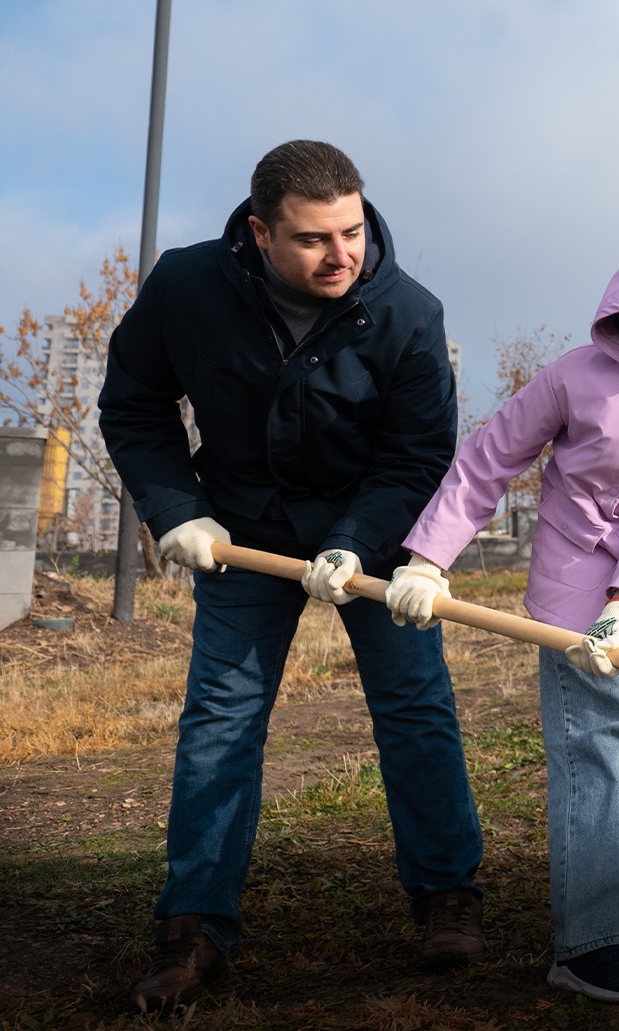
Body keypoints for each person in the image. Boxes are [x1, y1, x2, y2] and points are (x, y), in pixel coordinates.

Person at [98, 141, 485, 1013]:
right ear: (261, 231)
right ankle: (193, 928)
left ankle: (448, 897)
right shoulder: (187, 288)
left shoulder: (408, 314)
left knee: (416, 709)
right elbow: (132, 402)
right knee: (221, 720)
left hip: (373, 540)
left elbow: (418, 451)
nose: (343, 255)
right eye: (314, 240)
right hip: (243, 533)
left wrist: (357, 541)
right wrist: (175, 508)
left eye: (352, 231)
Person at [382, 234, 619, 1003]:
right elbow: (488, 461)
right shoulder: (573, 377)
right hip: (575, 576)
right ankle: (592, 943)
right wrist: (428, 559)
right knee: (605, 745)